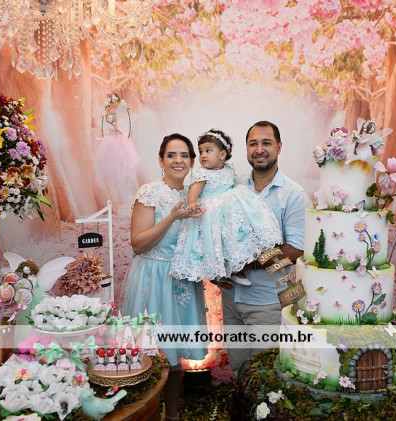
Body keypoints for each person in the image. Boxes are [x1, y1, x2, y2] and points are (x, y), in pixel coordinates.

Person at [122, 133, 207, 421]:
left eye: (184, 155)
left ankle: (172, 415)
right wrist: (172, 217)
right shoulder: (150, 192)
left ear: (192, 161)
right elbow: (138, 243)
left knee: (174, 356)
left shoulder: (197, 196)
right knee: (148, 352)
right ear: (161, 160)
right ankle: (142, 413)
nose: (178, 161)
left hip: (183, 282)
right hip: (153, 278)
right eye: (171, 155)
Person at [220, 121, 312, 375]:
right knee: (239, 369)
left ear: (279, 147)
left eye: (266, 143)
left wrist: (246, 262)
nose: (259, 149)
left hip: (267, 302)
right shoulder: (234, 187)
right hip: (231, 298)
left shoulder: (293, 194)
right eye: (253, 144)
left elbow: (296, 250)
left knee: (265, 374)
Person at [169, 129, 282, 285]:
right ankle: (219, 273)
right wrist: (192, 203)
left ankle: (238, 268)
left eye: (208, 151)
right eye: (201, 151)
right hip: (211, 213)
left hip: (228, 211)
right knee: (215, 243)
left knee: (236, 238)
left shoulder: (229, 169)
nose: (203, 155)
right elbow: (194, 190)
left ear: (222, 155)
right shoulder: (202, 173)